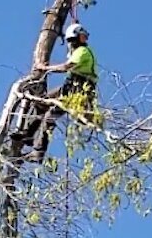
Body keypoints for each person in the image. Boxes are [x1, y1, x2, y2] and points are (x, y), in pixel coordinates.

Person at [11, 22, 98, 162]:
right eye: (82, 36)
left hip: (78, 92)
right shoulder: (76, 51)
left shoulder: (83, 52)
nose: (85, 39)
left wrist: (45, 68)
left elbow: (66, 67)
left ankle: (38, 152)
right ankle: (28, 133)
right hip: (70, 87)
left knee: (50, 116)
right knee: (41, 102)